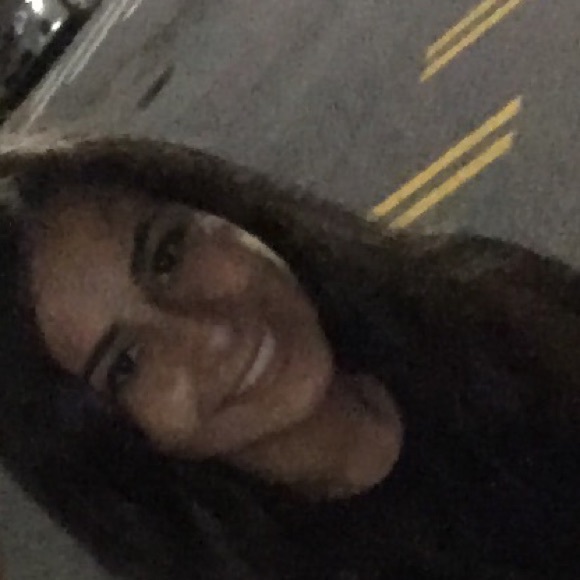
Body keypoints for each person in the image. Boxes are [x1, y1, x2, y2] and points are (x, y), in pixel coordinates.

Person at [0, 134, 577, 580]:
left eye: (167, 255)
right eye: (127, 363)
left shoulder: (484, 299)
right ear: (111, 446)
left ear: (217, 209)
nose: (210, 334)